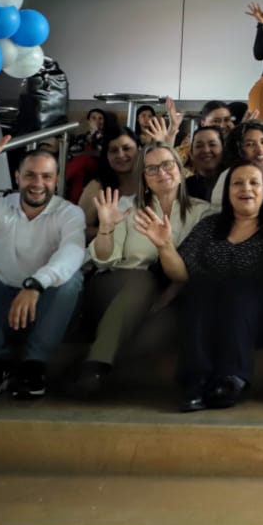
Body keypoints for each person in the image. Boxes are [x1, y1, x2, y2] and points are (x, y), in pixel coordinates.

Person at [138, 162, 263, 411]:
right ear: (227, 192)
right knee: (199, 287)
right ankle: (196, 380)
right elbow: (181, 274)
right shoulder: (209, 226)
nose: (246, 188)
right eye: (237, 183)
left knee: (239, 289)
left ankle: (231, 378)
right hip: (206, 311)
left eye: (254, 183)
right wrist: (165, 246)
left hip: (257, 317)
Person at [0, 116, 84, 399]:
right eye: (30, 175)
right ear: (17, 177)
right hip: (3, 303)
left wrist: (35, 285)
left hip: (46, 306)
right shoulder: (2, 207)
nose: (38, 183)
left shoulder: (70, 213)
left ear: (56, 180)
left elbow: (73, 252)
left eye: (46, 176)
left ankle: (34, 365)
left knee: (72, 280)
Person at [75, 143, 212, 398]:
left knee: (169, 322)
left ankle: (93, 367)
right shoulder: (126, 206)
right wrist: (105, 227)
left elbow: (196, 269)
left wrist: (166, 297)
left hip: (167, 295)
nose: (161, 173)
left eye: (167, 165)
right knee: (143, 279)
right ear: (144, 178)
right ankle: (95, 364)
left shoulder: (203, 212)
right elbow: (104, 260)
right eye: (152, 169)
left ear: (181, 170)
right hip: (114, 287)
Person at [77, 127, 139, 241]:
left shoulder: (151, 181)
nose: (121, 155)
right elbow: (78, 230)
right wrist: (108, 229)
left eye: (126, 148)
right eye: (113, 151)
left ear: (139, 150)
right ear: (106, 156)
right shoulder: (96, 187)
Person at [184, 125, 225, 202]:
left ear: (224, 150)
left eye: (212, 144)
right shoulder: (183, 188)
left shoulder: (232, 183)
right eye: (199, 146)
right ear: (191, 154)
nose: (206, 150)